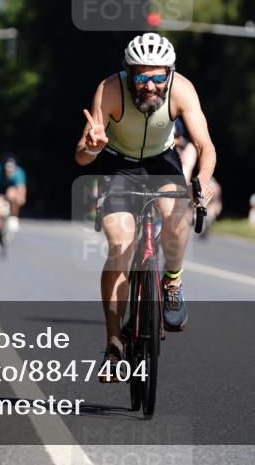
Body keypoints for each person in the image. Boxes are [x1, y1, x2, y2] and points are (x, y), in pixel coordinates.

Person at [75, 33, 216, 380]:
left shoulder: (182, 89)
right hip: (118, 165)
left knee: (177, 215)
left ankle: (172, 282)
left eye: (157, 77)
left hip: (161, 162)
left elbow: (205, 145)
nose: (150, 85)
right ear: (129, 73)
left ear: (169, 74)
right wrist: (92, 146)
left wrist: (202, 181)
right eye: (141, 77)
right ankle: (113, 344)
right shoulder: (109, 90)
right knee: (120, 246)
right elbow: (81, 156)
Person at [0, 153, 26, 249]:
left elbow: (21, 190)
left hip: (11, 192)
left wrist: (20, 198)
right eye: (7, 168)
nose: (9, 170)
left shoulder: (19, 172)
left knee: (12, 193)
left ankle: (13, 217)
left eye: (11, 168)